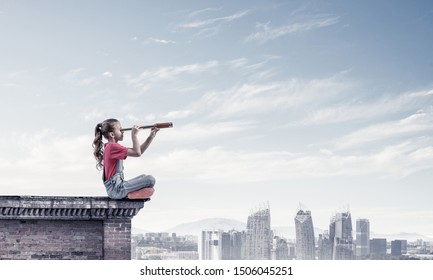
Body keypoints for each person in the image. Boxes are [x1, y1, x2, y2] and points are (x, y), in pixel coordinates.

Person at [92, 118, 158, 199]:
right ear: (112, 134)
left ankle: (132, 195)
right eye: (120, 129)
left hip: (116, 189)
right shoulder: (112, 146)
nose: (123, 131)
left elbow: (139, 151)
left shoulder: (112, 147)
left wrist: (151, 136)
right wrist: (134, 135)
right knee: (150, 180)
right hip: (116, 190)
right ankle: (129, 195)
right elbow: (137, 153)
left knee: (144, 177)